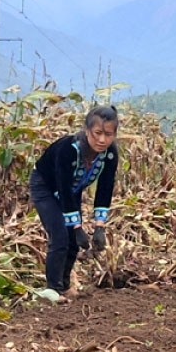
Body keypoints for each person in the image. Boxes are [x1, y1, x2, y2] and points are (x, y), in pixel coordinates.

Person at [29, 105, 120, 298]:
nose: (102, 140)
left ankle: (64, 285)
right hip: (46, 186)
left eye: (108, 134)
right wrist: (77, 227)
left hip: (73, 189)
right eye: (97, 133)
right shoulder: (68, 150)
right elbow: (62, 188)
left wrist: (99, 226)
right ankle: (52, 289)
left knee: (73, 242)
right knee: (61, 236)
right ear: (87, 131)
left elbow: (105, 187)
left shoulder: (110, 154)